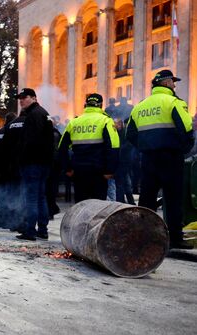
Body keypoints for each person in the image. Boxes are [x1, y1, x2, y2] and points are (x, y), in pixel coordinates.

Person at [126, 69, 194, 250]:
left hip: (148, 159)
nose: (174, 85)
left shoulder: (141, 105)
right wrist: (184, 149)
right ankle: (175, 239)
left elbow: (129, 133)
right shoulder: (173, 102)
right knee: (173, 199)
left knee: (147, 200)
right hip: (171, 157)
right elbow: (187, 128)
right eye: (173, 81)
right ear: (165, 83)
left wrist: (144, 147)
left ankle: (143, 237)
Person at [58, 93, 120, 202]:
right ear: (100, 105)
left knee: (81, 205)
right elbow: (113, 147)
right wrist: (110, 170)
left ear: (86, 105)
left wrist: (67, 168)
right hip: (99, 171)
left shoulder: (74, 122)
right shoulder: (105, 120)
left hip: (78, 171)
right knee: (98, 206)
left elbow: (61, 148)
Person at [15, 88, 54, 241]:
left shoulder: (34, 115)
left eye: (24, 98)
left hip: (33, 163)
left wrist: (21, 159)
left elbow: (30, 141)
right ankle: (42, 229)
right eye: (20, 98)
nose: (21, 101)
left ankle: (30, 230)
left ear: (33, 98)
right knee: (40, 197)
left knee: (31, 197)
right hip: (43, 163)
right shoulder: (44, 113)